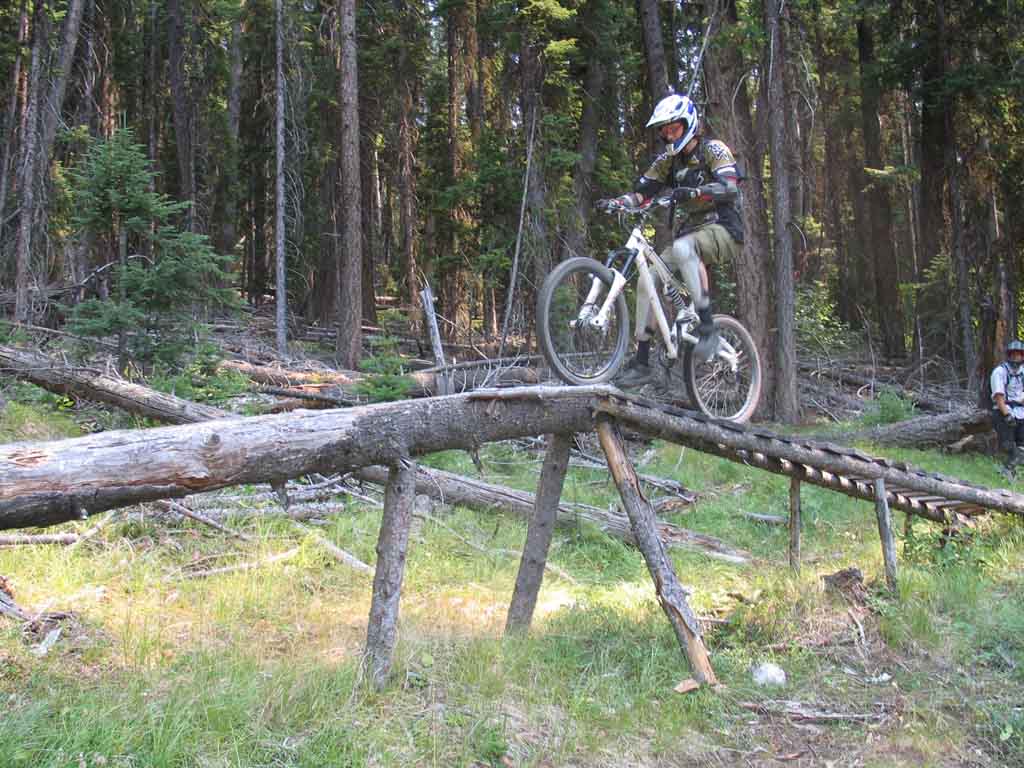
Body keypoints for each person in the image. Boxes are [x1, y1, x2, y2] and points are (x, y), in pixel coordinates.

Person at [596, 92, 743, 389]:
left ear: (688, 124)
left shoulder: (713, 149)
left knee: (683, 247)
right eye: (664, 131)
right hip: (690, 234)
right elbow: (642, 193)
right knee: (647, 279)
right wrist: (620, 202)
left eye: (673, 129)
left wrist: (697, 192)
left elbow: (730, 187)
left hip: (724, 229)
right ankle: (642, 361)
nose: (669, 135)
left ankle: (708, 328)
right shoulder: (668, 161)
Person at [991, 339, 1024, 478]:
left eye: (1019, 355)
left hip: (1021, 412)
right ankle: (1006, 471)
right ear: (1009, 355)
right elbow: (999, 396)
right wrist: (1006, 415)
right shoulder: (1000, 372)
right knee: (1008, 445)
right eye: (1013, 354)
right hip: (1003, 411)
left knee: (1022, 446)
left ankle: (1011, 470)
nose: (1016, 357)